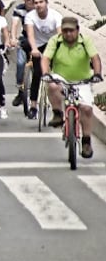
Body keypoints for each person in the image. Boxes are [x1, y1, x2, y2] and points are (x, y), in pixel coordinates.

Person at [42, 17, 103, 157]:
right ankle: (58, 113)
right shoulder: (55, 41)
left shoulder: (85, 41)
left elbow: (95, 58)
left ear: (77, 30)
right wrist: (46, 73)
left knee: (86, 109)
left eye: (71, 30)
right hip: (61, 78)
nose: (68, 34)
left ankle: (86, 141)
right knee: (51, 85)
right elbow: (46, 58)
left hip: (82, 80)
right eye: (65, 31)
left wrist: (97, 74)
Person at [24, 0, 62, 116]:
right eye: (36, 3)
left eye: (41, 2)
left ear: (46, 3)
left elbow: (59, 35)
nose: (38, 5)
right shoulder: (30, 16)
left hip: (53, 45)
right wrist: (34, 49)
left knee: (58, 75)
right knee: (37, 73)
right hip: (38, 46)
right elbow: (30, 34)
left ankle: (60, 104)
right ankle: (33, 105)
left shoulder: (56, 16)